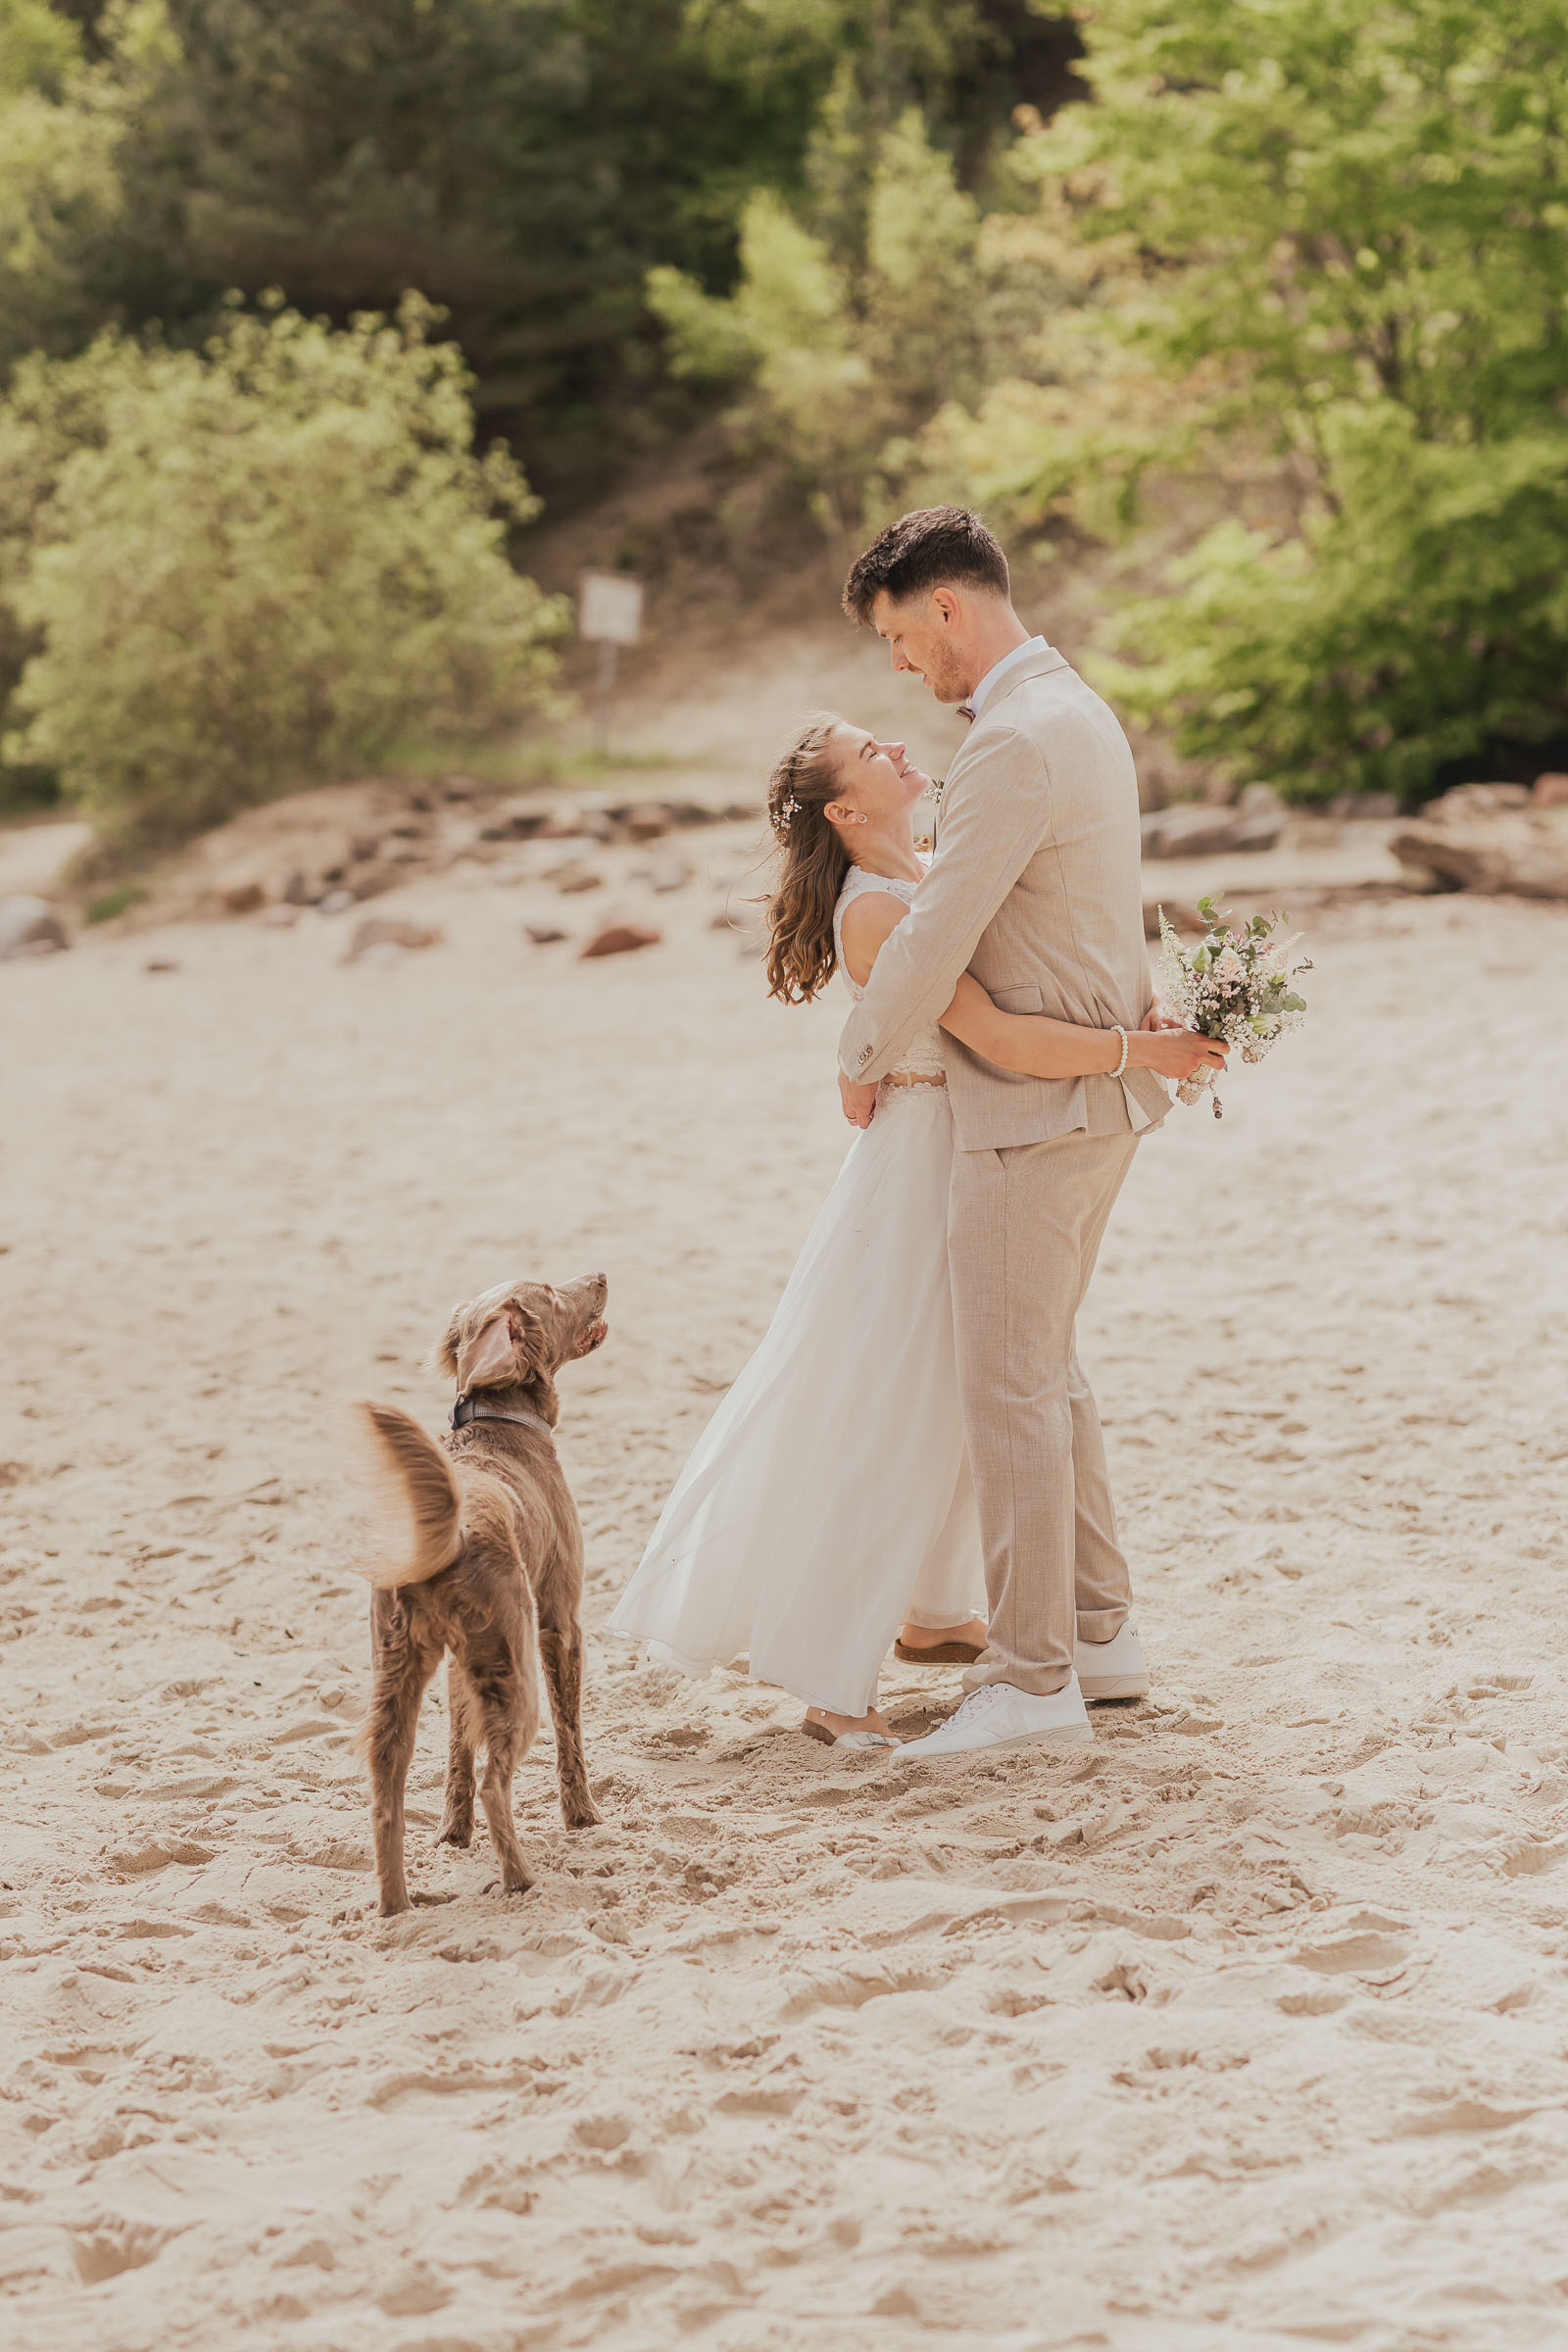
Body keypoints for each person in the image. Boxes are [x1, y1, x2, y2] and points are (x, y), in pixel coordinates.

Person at [607, 672, 1223, 1747]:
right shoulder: (882, 910)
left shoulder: (930, 871)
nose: (897, 749)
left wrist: (1150, 1001)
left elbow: (1045, 973)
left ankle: (935, 1614)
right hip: (927, 1160)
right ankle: (831, 1689)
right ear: (845, 812)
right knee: (892, 1396)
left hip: (972, 1147)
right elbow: (1000, 1038)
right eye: (868, 753)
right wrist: (1145, 1055)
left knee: (968, 1382)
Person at [837, 505, 1187, 1757]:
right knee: (1050, 1371)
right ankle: (1100, 1636)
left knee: (1008, 1387)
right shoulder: (1076, 708)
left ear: (945, 607)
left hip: (1033, 1105)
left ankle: (1031, 1680)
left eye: (898, 637)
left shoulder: (1011, 738)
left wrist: (858, 1052)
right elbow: (1107, 893)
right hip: (1090, 1095)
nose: (900, 669)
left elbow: (937, 935)